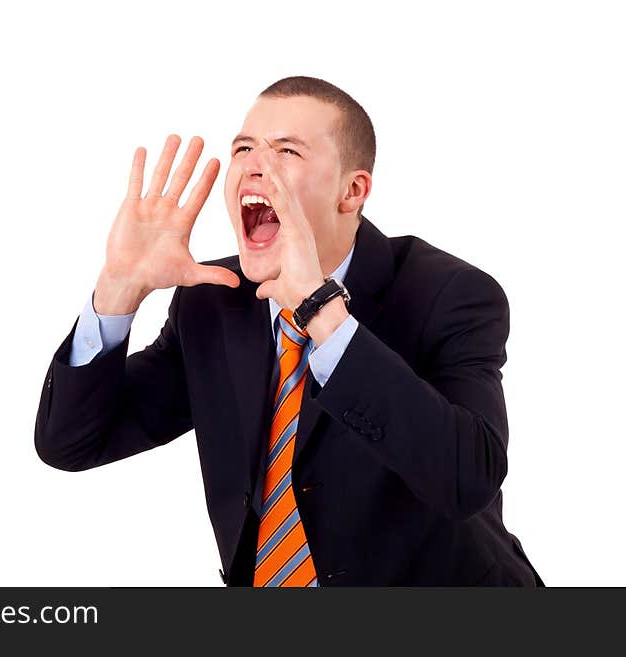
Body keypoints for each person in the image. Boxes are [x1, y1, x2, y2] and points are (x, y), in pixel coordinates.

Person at [34, 76, 544, 587]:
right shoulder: (213, 302)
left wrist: (321, 313)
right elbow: (72, 443)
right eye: (243, 148)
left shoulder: (450, 295)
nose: (256, 165)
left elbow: (466, 478)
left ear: (353, 190)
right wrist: (118, 289)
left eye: (286, 152)